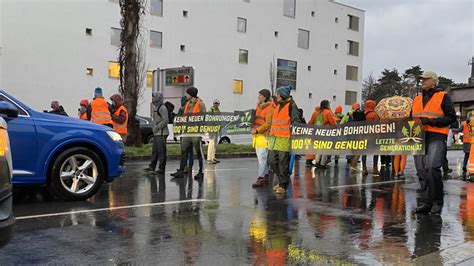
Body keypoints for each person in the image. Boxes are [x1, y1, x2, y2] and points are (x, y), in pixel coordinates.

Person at [412, 71, 456, 214]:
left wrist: (430, 121)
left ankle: (437, 201)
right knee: (421, 170)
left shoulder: (443, 96)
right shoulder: (416, 99)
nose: (422, 81)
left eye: (425, 79)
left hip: (436, 136)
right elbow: (410, 119)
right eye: (421, 79)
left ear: (434, 81)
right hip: (419, 137)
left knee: (432, 167)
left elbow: (451, 118)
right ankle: (427, 202)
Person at [268, 86, 301, 194]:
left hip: (284, 138)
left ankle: (283, 185)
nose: (276, 96)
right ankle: (283, 180)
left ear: (283, 95)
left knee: (283, 163)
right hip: (274, 138)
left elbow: (296, 121)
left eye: (278, 94)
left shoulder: (291, 106)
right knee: (272, 161)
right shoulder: (278, 105)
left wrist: (294, 127)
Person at [171, 87, 206, 179]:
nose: (186, 95)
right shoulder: (187, 104)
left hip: (196, 132)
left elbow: (204, 118)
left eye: (187, 93)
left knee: (198, 152)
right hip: (187, 131)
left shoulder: (200, 104)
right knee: (184, 151)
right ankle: (181, 171)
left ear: (191, 94)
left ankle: (200, 172)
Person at [251, 89, 274, 188]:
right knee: (261, 158)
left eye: (260, 95)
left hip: (264, 136)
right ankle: (265, 176)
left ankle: (261, 178)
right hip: (257, 136)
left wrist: (257, 130)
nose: (258, 97)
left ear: (265, 97)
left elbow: (268, 123)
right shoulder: (259, 107)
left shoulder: (269, 108)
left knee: (262, 159)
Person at [352, 100, 380, 176]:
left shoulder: (362, 113)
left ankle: (364, 168)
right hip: (372, 136)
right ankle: (375, 168)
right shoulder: (374, 114)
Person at [145, 92, 169, 174]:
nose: (152, 98)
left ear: (158, 98)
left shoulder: (162, 108)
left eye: (154, 97)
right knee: (155, 151)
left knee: (161, 152)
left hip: (161, 133)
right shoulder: (156, 107)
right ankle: (152, 166)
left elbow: (166, 120)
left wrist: (157, 127)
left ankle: (161, 169)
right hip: (157, 133)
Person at [311, 100, 337, 169]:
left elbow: (311, 122)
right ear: (327, 105)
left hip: (318, 133)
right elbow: (333, 123)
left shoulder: (316, 113)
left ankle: (316, 162)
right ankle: (322, 163)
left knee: (319, 148)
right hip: (326, 133)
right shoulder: (328, 112)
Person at [178, 96, 194, 173]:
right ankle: (189, 167)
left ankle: (183, 167)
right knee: (191, 151)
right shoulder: (192, 108)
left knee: (184, 151)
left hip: (184, 132)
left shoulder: (181, 109)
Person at [207, 99, 221, 164]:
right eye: (215, 103)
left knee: (215, 143)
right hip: (211, 128)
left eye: (217, 103)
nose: (216, 104)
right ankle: (209, 158)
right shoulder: (211, 110)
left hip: (216, 128)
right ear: (213, 103)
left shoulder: (218, 110)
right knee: (211, 143)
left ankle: (213, 157)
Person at [463, 113, 472, 177]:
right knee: (471, 155)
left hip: (465, 142)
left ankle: (464, 165)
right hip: (471, 142)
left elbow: (459, 130)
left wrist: (452, 130)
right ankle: (471, 167)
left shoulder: (464, 124)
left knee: (466, 155)